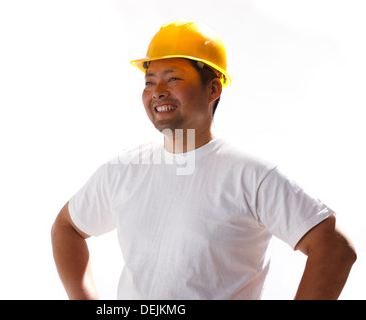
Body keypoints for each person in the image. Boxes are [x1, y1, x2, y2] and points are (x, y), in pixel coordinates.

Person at [51, 20, 356, 300]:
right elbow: (67, 227)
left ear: (213, 88)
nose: (157, 92)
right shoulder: (122, 170)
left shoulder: (250, 175)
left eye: (173, 79)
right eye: (149, 80)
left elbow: (334, 249)